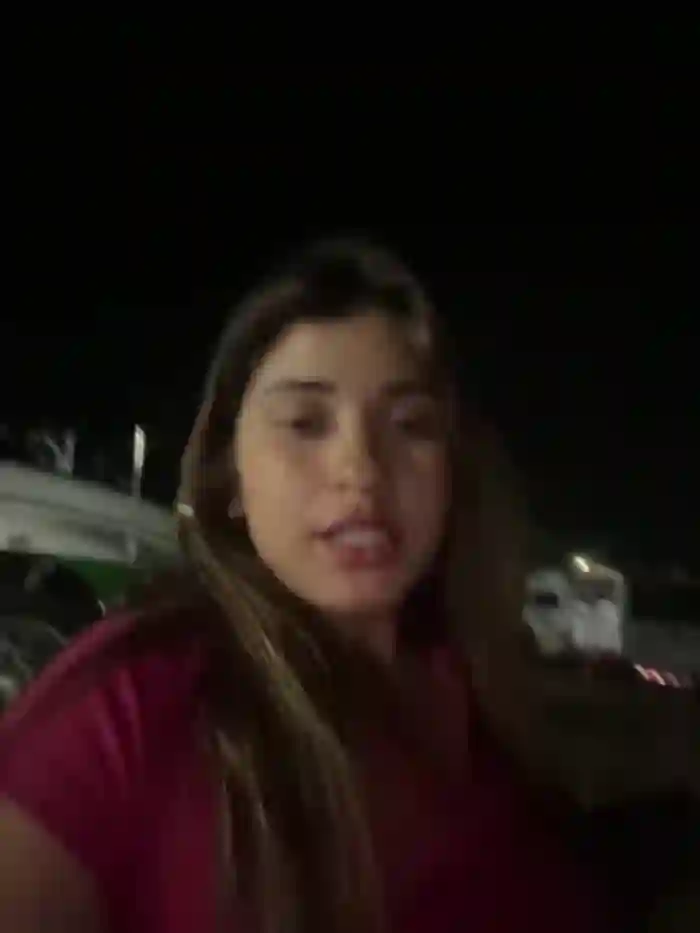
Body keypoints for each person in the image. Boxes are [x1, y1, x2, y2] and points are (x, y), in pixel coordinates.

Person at [0, 239, 610, 932]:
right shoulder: (132, 704)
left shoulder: (488, 699)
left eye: (411, 425)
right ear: (230, 477)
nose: (362, 470)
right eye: (305, 423)